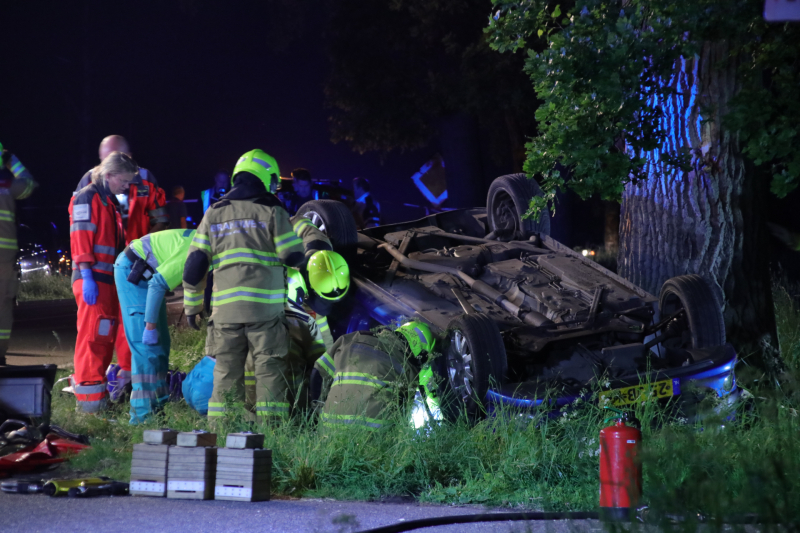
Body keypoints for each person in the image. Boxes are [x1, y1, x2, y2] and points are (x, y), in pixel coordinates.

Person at [182, 149, 305, 423]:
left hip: (225, 315)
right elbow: (293, 255)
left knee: (225, 375)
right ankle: (273, 439)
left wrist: (192, 308)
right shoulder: (273, 211)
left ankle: (221, 437)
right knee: (270, 373)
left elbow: (194, 265)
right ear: (266, 177)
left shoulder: (214, 213)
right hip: (265, 314)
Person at [69, 152, 137, 412]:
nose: (126, 186)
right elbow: (80, 236)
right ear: (109, 175)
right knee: (93, 339)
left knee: (103, 338)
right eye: (124, 180)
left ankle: (95, 401)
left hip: (105, 280)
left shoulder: (108, 202)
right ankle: (89, 405)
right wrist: (86, 275)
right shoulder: (88, 196)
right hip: (93, 279)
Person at [114, 228, 195, 424]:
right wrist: (149, 326)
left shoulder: (207, 242)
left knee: (161, 346)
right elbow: (158, 284)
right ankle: (142, 417)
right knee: (147, 348)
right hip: (133, 273)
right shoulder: (194, 251)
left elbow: (195, 282)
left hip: (146, 274)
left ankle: (158, 407)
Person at [317, 321, 434, 430]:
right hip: (374, 439)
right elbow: (403, 418)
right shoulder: (409, 370)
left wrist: (316, 410)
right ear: (421, 353)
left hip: (328, 428)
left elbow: (318, 372)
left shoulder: (351, 339)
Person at [74, 135, 168, 243]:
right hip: (102, 258)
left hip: (140, 255)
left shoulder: (146, 179)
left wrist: (140, 249)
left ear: (129, 157)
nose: (110, 168)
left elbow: (161, 221)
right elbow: (79, 228)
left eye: (117, 162)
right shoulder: (88, 181)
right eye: (106, 162)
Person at [0, 143, 38, 365]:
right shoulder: (7, 185)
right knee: (3, 307)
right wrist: (12, 161)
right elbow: (28, 184)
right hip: (3, 258)